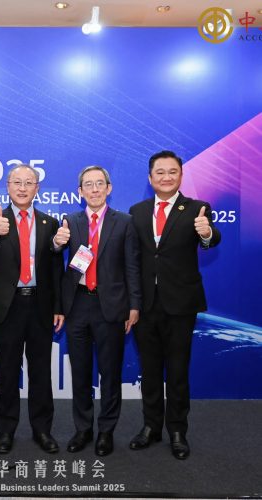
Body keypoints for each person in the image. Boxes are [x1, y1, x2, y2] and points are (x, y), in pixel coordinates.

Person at [128, 150, 221, 460]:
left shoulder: (196, 208)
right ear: (150, 178)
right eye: (160, 172)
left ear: (181, 175)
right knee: (150, 369)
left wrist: (206, 234)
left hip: (180, 304)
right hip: (145, 305)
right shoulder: (137, 211)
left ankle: (178, 431)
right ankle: (151, 426)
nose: (166, 177)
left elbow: (211, 237)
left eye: (172, 172)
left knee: (178, 370)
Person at [0, 164, 64, 454]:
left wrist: (59, 306)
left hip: (40, 305)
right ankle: (5, 430)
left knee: (41, 371)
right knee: (7, 370)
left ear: (37, 188)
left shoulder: (50, 223)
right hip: (7, 305)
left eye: (29, 183)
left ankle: (42, 430)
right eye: (17, 182)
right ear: (8, 187)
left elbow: (56, 269)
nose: (22, 188)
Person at [53, 166, 141, 456]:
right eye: (88, 185)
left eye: (99, 184)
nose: (94, 189)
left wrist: (134, 305)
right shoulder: (71, 221)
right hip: (78, 305)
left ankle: (106, 431)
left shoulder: (125, 222)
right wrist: (56, 244)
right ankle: (83, 429)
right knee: (80, 372)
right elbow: (58, 260)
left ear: (109, 188)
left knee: (110, 372)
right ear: (80, 191)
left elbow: (132, 266)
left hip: (111, 307)